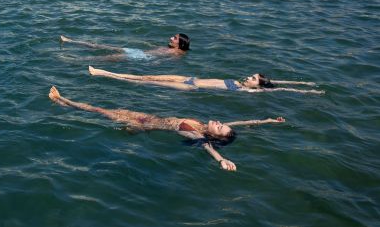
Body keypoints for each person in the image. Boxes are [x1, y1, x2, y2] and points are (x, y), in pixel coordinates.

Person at [48, 86, 286, 172]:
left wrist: (221, 159)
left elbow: (207, 148)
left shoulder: (198, 134)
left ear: (214, 136)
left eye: (219, 127)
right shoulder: (204, 126)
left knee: (99, 111)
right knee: (109, 110)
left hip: (144, 124)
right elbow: (240, 123)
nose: (219, 122)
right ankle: (64, 102)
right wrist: (266, 121)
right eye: (221, 123)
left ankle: (61, 100)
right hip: (148, 119)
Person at [87, 67, 324, 94]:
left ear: (257, 86)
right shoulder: (243, 84)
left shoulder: (251, 91)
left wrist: (306, 91)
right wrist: (305, 82)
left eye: (254, 78)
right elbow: (277, 81)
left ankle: (104, 74)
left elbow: (277, 88)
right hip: (190, 78)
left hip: (189, 87)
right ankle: (105, 71)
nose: (250, 77)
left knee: (143, 82)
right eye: (252, 75)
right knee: (146, 76)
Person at [60, 33, 190, 58]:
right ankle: (70, 41)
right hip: (138, 51)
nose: (171, 38)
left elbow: (163, 59)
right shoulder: (171, 48)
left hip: (140, 57)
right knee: (100, 46)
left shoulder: (176, 53)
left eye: (175, 38)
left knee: (110, 57)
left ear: (180, 43)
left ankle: (77, 60)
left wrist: (156, 62)